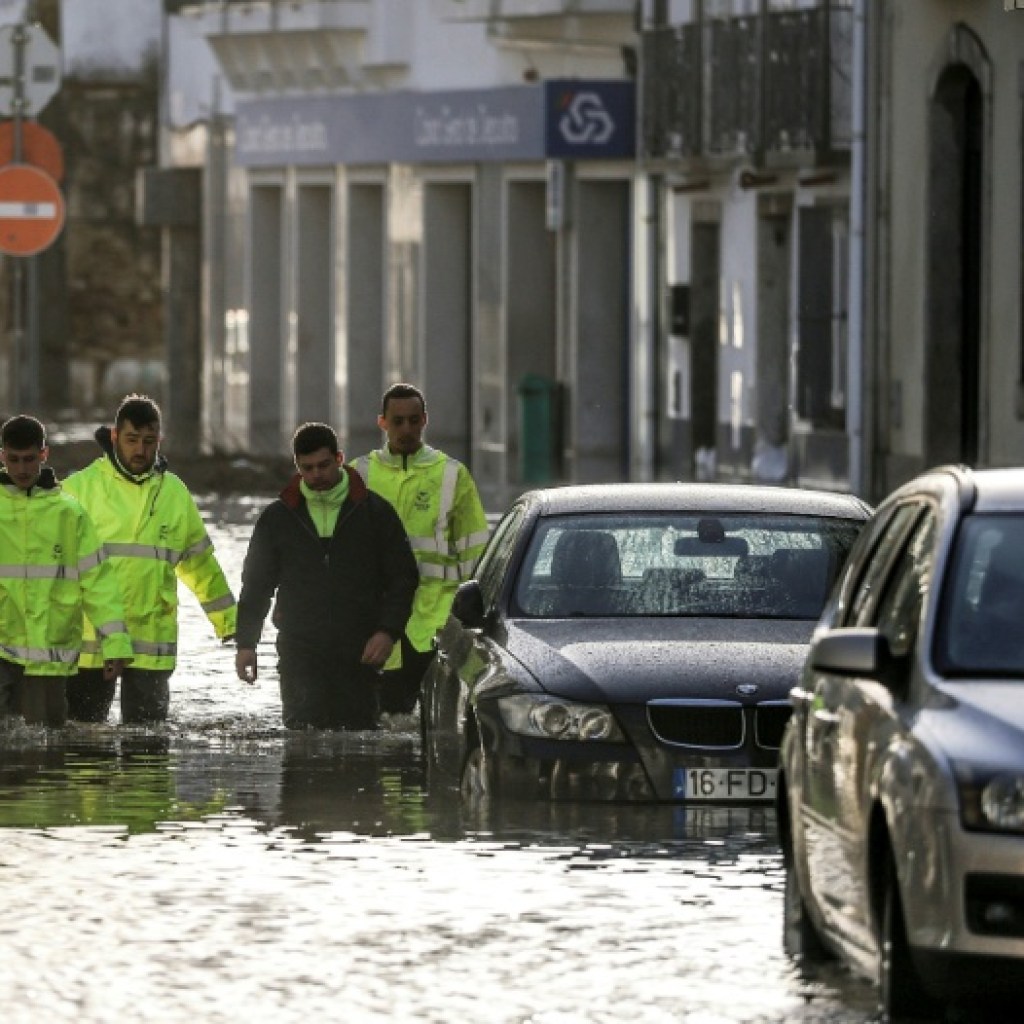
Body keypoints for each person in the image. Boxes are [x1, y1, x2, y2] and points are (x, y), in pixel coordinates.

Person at [62, 394, 237, 725]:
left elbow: (199, 564)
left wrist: (229, 622)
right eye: (131, 440)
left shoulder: (174, 493)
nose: (140, 450)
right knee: (83, 750)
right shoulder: (78, 489)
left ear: (160, 440)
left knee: (148, 749)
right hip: (90, 642)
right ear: (114, 437)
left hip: (150, 641)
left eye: (149, 441)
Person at [234, 422, 418, 730]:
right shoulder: (277, 519)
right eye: (307, 468)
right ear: (297, 467)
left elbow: (403, 578)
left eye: (323, 465)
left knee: (359, 746)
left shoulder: (375, 513)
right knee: (302, 745)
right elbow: (256, 587)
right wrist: (246, 644)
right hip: (299, 651)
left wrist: (387, 632)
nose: (316, 475)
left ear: (339, 458)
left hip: (360, 653)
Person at [351, 383, 489, 714]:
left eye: (414, 421)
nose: (406, 429)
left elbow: (475, 553)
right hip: (376, 620)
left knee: (435, 722)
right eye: (397, 422)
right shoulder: (358, 474)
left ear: (424, 420)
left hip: (436, 620)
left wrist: (479, 618)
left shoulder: (452, 475)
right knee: (382, 718)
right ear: (382, 423)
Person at [0, 414, 132, 727]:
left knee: (44, 752)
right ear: (2, 456)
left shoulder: (69, 514)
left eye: (29, 459)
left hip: (48, 658)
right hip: (4, 649)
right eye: (14, 459)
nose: (21, 469)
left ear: (44, 455)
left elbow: (98, 581)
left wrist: (114, 642)